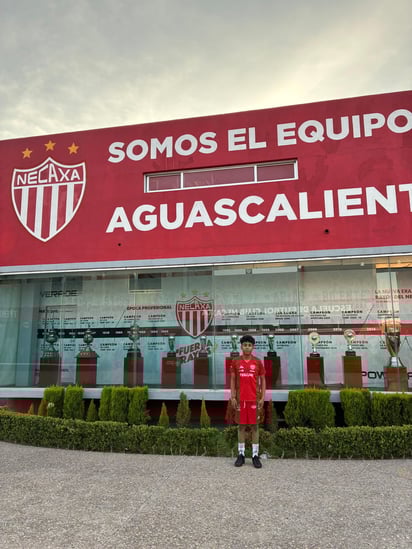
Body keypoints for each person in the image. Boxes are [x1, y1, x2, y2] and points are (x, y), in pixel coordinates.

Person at [230, 334, 266, 468]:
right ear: (241, 346)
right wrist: (233, 396)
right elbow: (232, 379)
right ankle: (241, 454)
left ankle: (255, 456)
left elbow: (263, 380)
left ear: (253, 347)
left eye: (249, 345)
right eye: (245, 345)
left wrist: (262, 397)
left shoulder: (257, 362)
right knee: (241, 426)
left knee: (255, 426)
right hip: (240, 400)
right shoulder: (235, 362)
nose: (247, 347)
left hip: (254, 399)